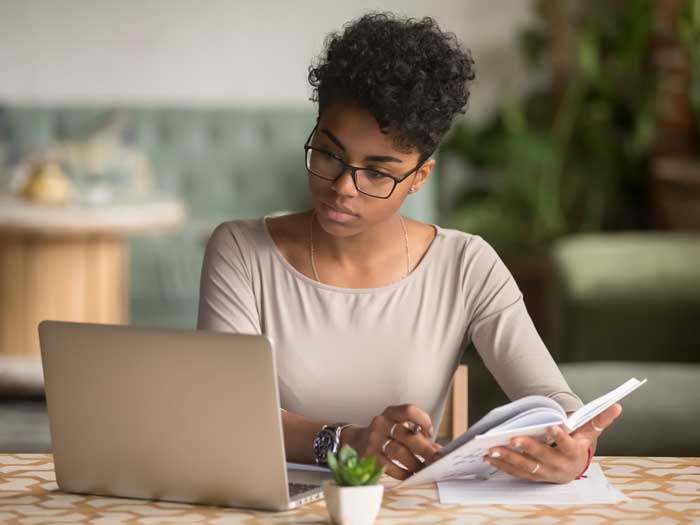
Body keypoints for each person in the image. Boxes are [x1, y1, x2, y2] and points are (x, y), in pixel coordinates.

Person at [196, 11, 621, 483]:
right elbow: (224, 414)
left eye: (377, 172)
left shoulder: (466, 265)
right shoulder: (239, 251)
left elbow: (551, 398)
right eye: (329, 153)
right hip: (272, 506)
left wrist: (574, 447)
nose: (343, 187)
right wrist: (346, 442)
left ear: (420, 176)